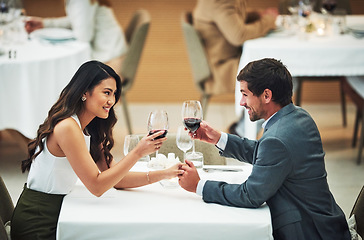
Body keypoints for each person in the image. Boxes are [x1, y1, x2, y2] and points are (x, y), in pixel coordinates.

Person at [178, 58, 351, 240]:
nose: (242, 103)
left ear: (266, 95)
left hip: (308, 232)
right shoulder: (299, 116)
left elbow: (250, 196)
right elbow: (268, 156)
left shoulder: (277, 139)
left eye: (245, 94)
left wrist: (199, 186)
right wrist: (219, 138)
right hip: (328, 225)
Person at [11, 60, 183, 240]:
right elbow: (97, 186)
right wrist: (137, 153)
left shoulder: (88, 128)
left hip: (59, 211)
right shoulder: (68, 127)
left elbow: (116, 179)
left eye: (114, 94)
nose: (112, 101)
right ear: (85, 92)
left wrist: (164, 174)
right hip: (38, 221)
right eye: (106, 92)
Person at [193, 0, 278, 96]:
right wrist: (269, 20)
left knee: (278, 68)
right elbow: (239, 35)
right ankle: (262, 110)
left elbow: (231, 18)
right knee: (279, 73)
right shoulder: (220, 2)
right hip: (223, 69)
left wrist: (258, 15)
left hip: (224, 62)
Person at [24, 0, 127, 73]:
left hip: (110, 59)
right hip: (113, 49)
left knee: (60, 73)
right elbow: (77, 20)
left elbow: (83, 36)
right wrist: (44, 24)